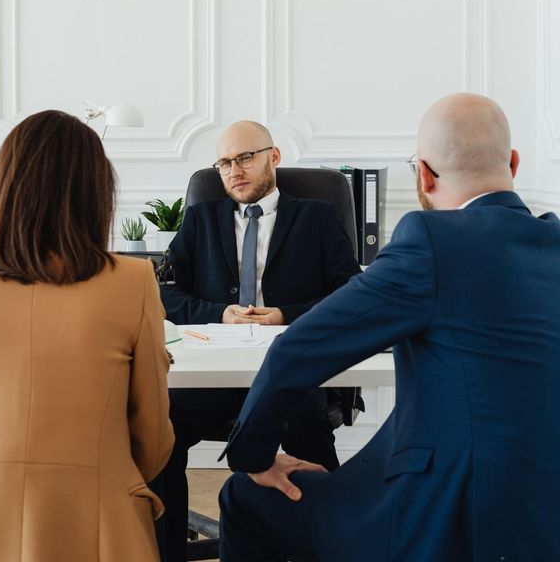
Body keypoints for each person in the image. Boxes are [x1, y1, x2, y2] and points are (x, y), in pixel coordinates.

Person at [218, 94, 560, 561]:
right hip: (544, 511)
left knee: (245, 494)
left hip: (446, 513)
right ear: (514, 164)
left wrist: (253, 457)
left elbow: (297, 351)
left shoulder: (432, 240)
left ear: (422, 174)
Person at [0, 110, 174, 562]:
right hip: (100, 521)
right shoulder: (133, 281)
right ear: (95, 193)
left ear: (4, 187)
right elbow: (153, 441)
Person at [151, 120, 361, 561]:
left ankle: (331, 544)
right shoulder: (202, 218)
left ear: (274, 156)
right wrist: (219, 314)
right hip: (215, 377)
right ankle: (167, 552)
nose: (234, 171)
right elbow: (163, 291)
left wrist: (287, 315)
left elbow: (351, 292)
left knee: (306, 428)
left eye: (245, 157)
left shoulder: (316, 217)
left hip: (289, 375)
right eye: (225, 163)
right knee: (160, 429)